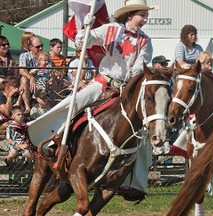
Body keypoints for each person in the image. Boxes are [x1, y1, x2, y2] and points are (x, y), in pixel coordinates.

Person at [27, 0, 155, 200]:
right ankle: (51, 141)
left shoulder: (145, 40)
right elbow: (83, 43)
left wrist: (137, 69)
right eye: (142, 15)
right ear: (130, 15)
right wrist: (85, 28)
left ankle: (136, 184)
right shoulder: (111, 29)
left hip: (127, 90)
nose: (145, 19)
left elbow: (143, 62)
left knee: (144, 131)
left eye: (146, 16)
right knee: (73, 103)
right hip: (104, 82)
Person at [19, 36, 48, 114]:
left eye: (42, 46)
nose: (41, 48)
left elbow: (50, 70)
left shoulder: (45, 56)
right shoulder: (24, 56)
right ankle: (27, 107)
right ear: (31, 47)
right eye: (38, 47)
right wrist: (31, 77)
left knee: (55, 79)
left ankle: (51, 104)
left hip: (43, 80)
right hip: (29, 82)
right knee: (23, 79)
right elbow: (22, 70)